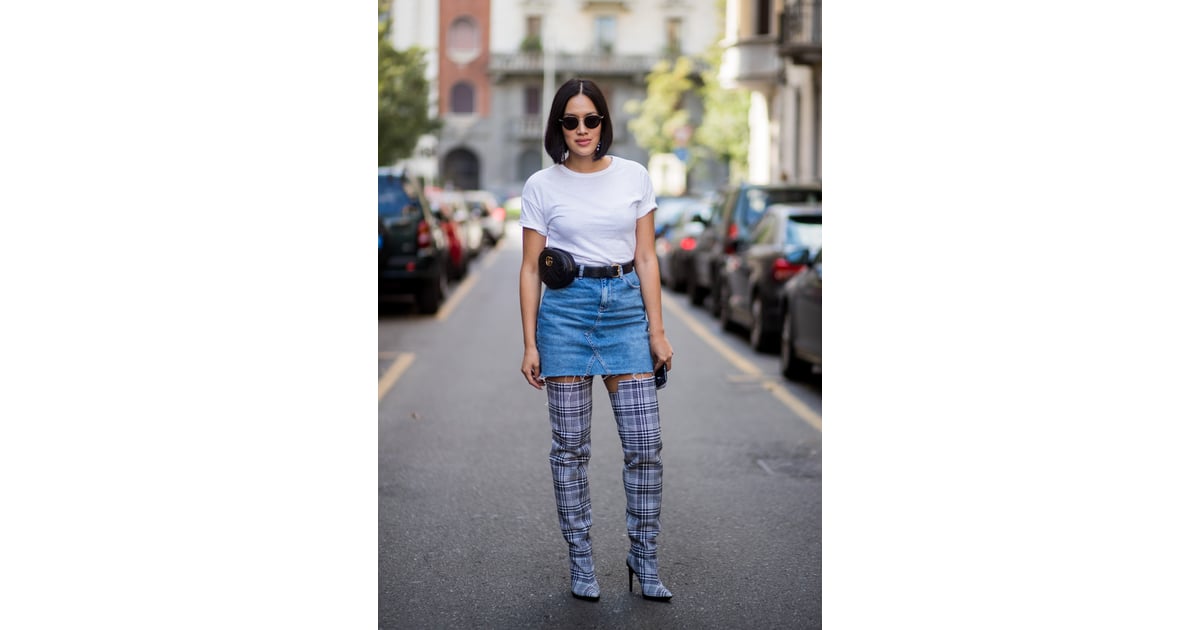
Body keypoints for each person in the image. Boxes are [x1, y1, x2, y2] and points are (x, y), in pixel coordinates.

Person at [518, 78, 675, 603]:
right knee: (570, 451)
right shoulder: (542, 185)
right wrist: (530, 342)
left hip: (626, 308)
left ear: (604, 123)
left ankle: (644, 558)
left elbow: (648, 257)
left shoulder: (634, 176)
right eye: (571, 121)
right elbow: (527, 268)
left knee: (646, 445)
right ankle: (581, 561)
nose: (582, 130)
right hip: (565, 312)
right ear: (558, 126)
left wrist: (657, 329)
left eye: (591, 120)